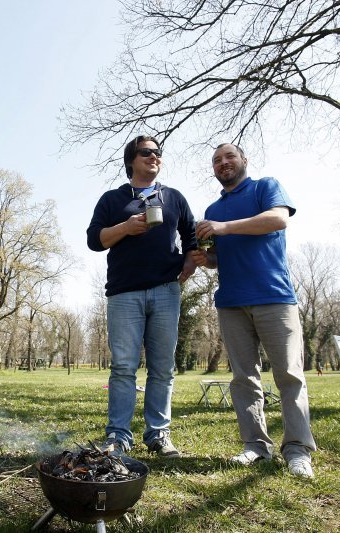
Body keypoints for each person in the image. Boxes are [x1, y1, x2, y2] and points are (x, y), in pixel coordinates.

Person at [191, 143, 317, 479]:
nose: (223, 163)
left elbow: (278, 219)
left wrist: (224, 227)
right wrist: (209, 260)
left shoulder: (265, 187)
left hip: (274, 296)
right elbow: (219, 255)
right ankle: (256, 446)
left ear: (244, 161)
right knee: (244, 378)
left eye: (229, 156)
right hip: (231, 301)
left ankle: (297, 450)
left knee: (289, 375)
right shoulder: (213, 207)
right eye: (216, 160)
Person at [87, 134, 197, 458]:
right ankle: (118, 437)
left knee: (162, 368)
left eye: (157, 152)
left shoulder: (174, 197)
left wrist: (189, 263)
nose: (154, 156)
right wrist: (126, 227)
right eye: (147, 152)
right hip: (124, 294)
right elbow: (95, 240)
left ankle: (158, 435)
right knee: (123, 367)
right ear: (131, 160)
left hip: (166, 291)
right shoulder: (112, 200)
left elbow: (190, 235)